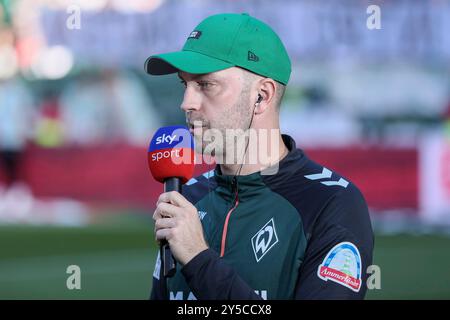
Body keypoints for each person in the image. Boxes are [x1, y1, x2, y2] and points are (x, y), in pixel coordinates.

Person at [145, 13, 373, 300]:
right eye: (184, 85)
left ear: (262, 96)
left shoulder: (331, 202)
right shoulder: (188, 196)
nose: (186, 103)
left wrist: (198, 258)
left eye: (205, 85)